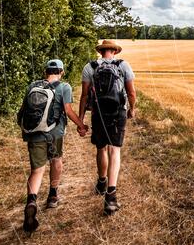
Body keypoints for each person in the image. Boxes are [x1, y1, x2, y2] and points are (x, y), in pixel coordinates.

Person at [18, 59, 88, 233]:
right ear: (61, 72)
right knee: (56, 161)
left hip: (34, 134)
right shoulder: (64, 87)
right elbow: (68, 111)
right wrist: (81, 125)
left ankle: (31, 201)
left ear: (45, 71)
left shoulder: (32, 85)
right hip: (55, 134)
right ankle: (52, 195)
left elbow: (22, 112)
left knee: (36, 170)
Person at [79, 40, 136, 215]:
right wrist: (132, 109)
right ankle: (111, 197)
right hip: (118, 111)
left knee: (101, 148)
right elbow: (131, 92)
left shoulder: (90, 66)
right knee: (115, 151)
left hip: (98, 113)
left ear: (101, 51)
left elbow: (84, 95)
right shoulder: (123, 65)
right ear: (114, 51)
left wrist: (81, 121)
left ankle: (101, 181)